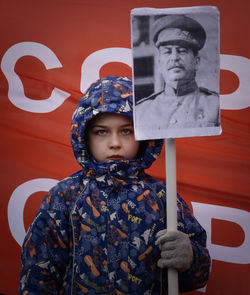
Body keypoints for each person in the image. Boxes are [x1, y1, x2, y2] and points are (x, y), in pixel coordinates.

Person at [19, 76, 210, 294]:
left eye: (126, 131)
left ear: (142, 136)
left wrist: (191, 259)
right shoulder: (64, 197)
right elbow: (37, 275)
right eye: (102, 132)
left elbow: (197, 277)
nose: (115, 142)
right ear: (84, 135)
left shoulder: (164, 198)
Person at [135, 14, 220, 133]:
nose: (174, 58)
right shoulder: (140, 111)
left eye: (182, 51)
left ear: (196, 62)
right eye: (167, 52)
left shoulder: (216, 106)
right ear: (159, 64)